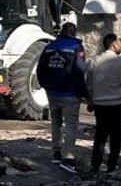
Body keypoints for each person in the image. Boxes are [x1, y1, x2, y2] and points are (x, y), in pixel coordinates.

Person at [85, 32, 121, 173]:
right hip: (119, 103)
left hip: (101, 104)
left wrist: (90, 99)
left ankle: (95, 165)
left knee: (100, 136)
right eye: (120, 41)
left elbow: (88, 83)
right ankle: (112, 166)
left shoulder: (94, 61)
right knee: (116, 136)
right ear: (114, 44)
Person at [35, 22, 88, 166]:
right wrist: (84, 93)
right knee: (70, 125)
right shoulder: (76, 48)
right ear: (74, 32)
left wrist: (46, 86)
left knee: (56, 122)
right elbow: (80, 71)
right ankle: (68, 157)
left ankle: (56, 152)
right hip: (70, 93)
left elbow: (40, 69)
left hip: (52, 92)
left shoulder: (49, 47)